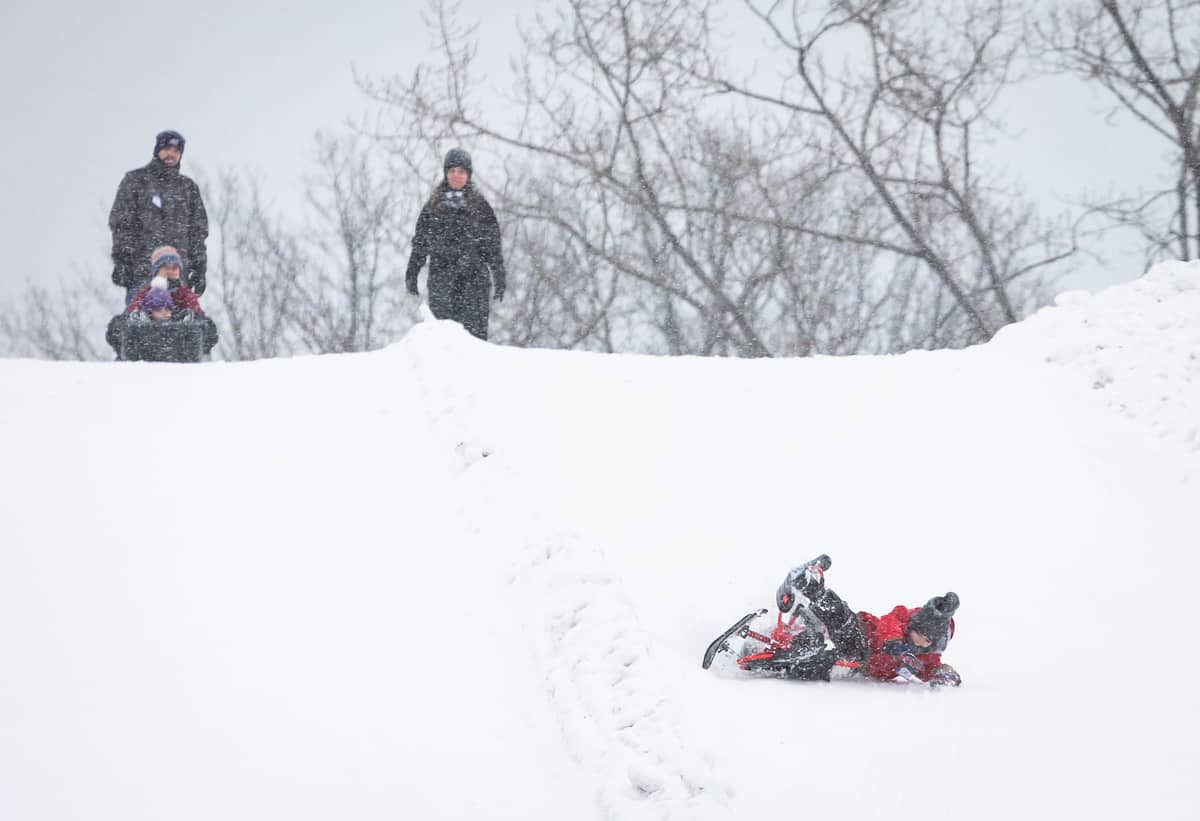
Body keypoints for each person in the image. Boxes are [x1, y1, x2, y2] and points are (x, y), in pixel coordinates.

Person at [774, 554, 962, 685]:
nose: (920, 641)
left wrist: (943, 673)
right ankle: (806, 584)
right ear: (913, 625)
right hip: (864, 637)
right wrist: (894, 644)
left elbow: (930, 670)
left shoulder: (924, 656)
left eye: (927, 640)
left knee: (822, 663)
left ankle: (785, 660)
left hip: (858, 664)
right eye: (919, 634)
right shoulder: (901, 621)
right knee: (842, 622)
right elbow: (890, 622)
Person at [404, 147, 507, 341]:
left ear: (468, 174)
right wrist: (412, 273)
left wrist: (499, 276)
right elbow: (420, 244)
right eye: (451, 171)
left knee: (473, 341)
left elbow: (493, 247)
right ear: (445, 174)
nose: (456, 175)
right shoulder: (433, 207)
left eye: (461, 171)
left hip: (474, 283)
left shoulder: (481, 207)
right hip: (442, 281)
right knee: (444, 342)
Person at [109, 129, 209, 305]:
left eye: (177, 151)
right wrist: (122, 261)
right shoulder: (136, 181)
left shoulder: (188, 188)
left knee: (182, 326)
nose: (172, 154)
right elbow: (121, 224)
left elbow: (198, 233)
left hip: (178, 274)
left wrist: (199, 270)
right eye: (168, 149)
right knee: (139, 325)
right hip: (142, 271)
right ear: (157, 150)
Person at [105, 246, 218, 360]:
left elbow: (198, 315)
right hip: (147, 343)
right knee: (120, 327)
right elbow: (131, 312)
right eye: (165, 267)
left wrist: (190, 319)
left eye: (174, 268)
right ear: (156, 271)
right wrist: (139, 317)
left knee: (204, 327)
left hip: (179, 344)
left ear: (180, 271)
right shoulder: (145, 292)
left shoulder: (185, 294)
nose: (170, 271)